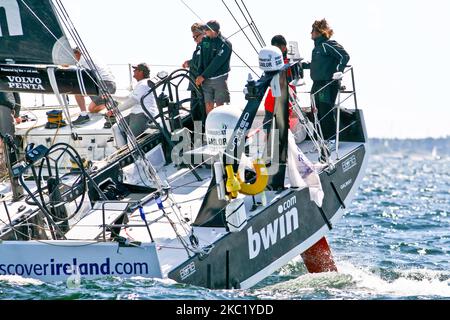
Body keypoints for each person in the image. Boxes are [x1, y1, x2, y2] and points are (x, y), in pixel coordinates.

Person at [302, 19, 350, 141]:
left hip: (327, 84)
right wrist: (302, 65)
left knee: (325, 111)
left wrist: (339, 70)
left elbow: (344, 56)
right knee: (315, 112)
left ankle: (332, 140)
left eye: (312, 30)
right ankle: (321, 141)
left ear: (318, 32)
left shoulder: (327, 44)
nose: (310, 33)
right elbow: (317, 64)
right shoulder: (317, 48)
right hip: (317, 84)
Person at [107, 63, 158, 148]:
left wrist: (114, 111)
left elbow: (132, 101)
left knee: (131, 139)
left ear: (141, 72)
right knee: (116, 128)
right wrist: (111, 96)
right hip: (135, 114)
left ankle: (133, 156)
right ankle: (122, 153)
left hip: (142, 115)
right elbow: (127, 98)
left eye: (135, 70)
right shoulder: (140, 84)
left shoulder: (144, 85)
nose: (133, 71)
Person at [72, 47, 117, 125]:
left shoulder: (83, 60)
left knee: (77, 90)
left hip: (103, 84)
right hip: (111, 85)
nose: (72, 59)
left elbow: (78, 76)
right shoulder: (91, 57)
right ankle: (112, 103)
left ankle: (83, 115)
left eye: (73, 56)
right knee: (92, 109)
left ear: (78, 53)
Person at [195, 20, 232, 115]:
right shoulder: (205, 40)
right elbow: (201, 59)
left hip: (219, 78)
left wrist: (203, 76)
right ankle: (210, 128)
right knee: (208, 104)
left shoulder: (226, 44)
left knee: (220, 105)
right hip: (205, 79)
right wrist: (199, 75)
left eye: (206, 30)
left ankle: (221, 127)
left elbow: (216, 63)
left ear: (213, 31)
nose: (204, 32)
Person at [182, 23, 207, 123]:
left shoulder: (205, 45)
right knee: (195, 112)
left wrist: (189, 63)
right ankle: (198, 137)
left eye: (196, 36)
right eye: (193, 37)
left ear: (204, 33)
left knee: (201, 112)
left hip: (201, 85)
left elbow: (201, 61)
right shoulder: (199, 47)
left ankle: (204, 136)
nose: (194, 39)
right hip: (194, 84)